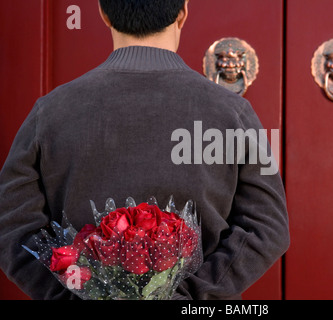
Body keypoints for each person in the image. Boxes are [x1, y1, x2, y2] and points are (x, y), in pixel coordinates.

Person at [0, 0, 290, 300]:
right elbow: (268, 228)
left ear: (103, 13)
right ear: (182, 13)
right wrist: (191, 298)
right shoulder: (234, 113)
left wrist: (76, 295)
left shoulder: (50, 112)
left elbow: (11, 225)